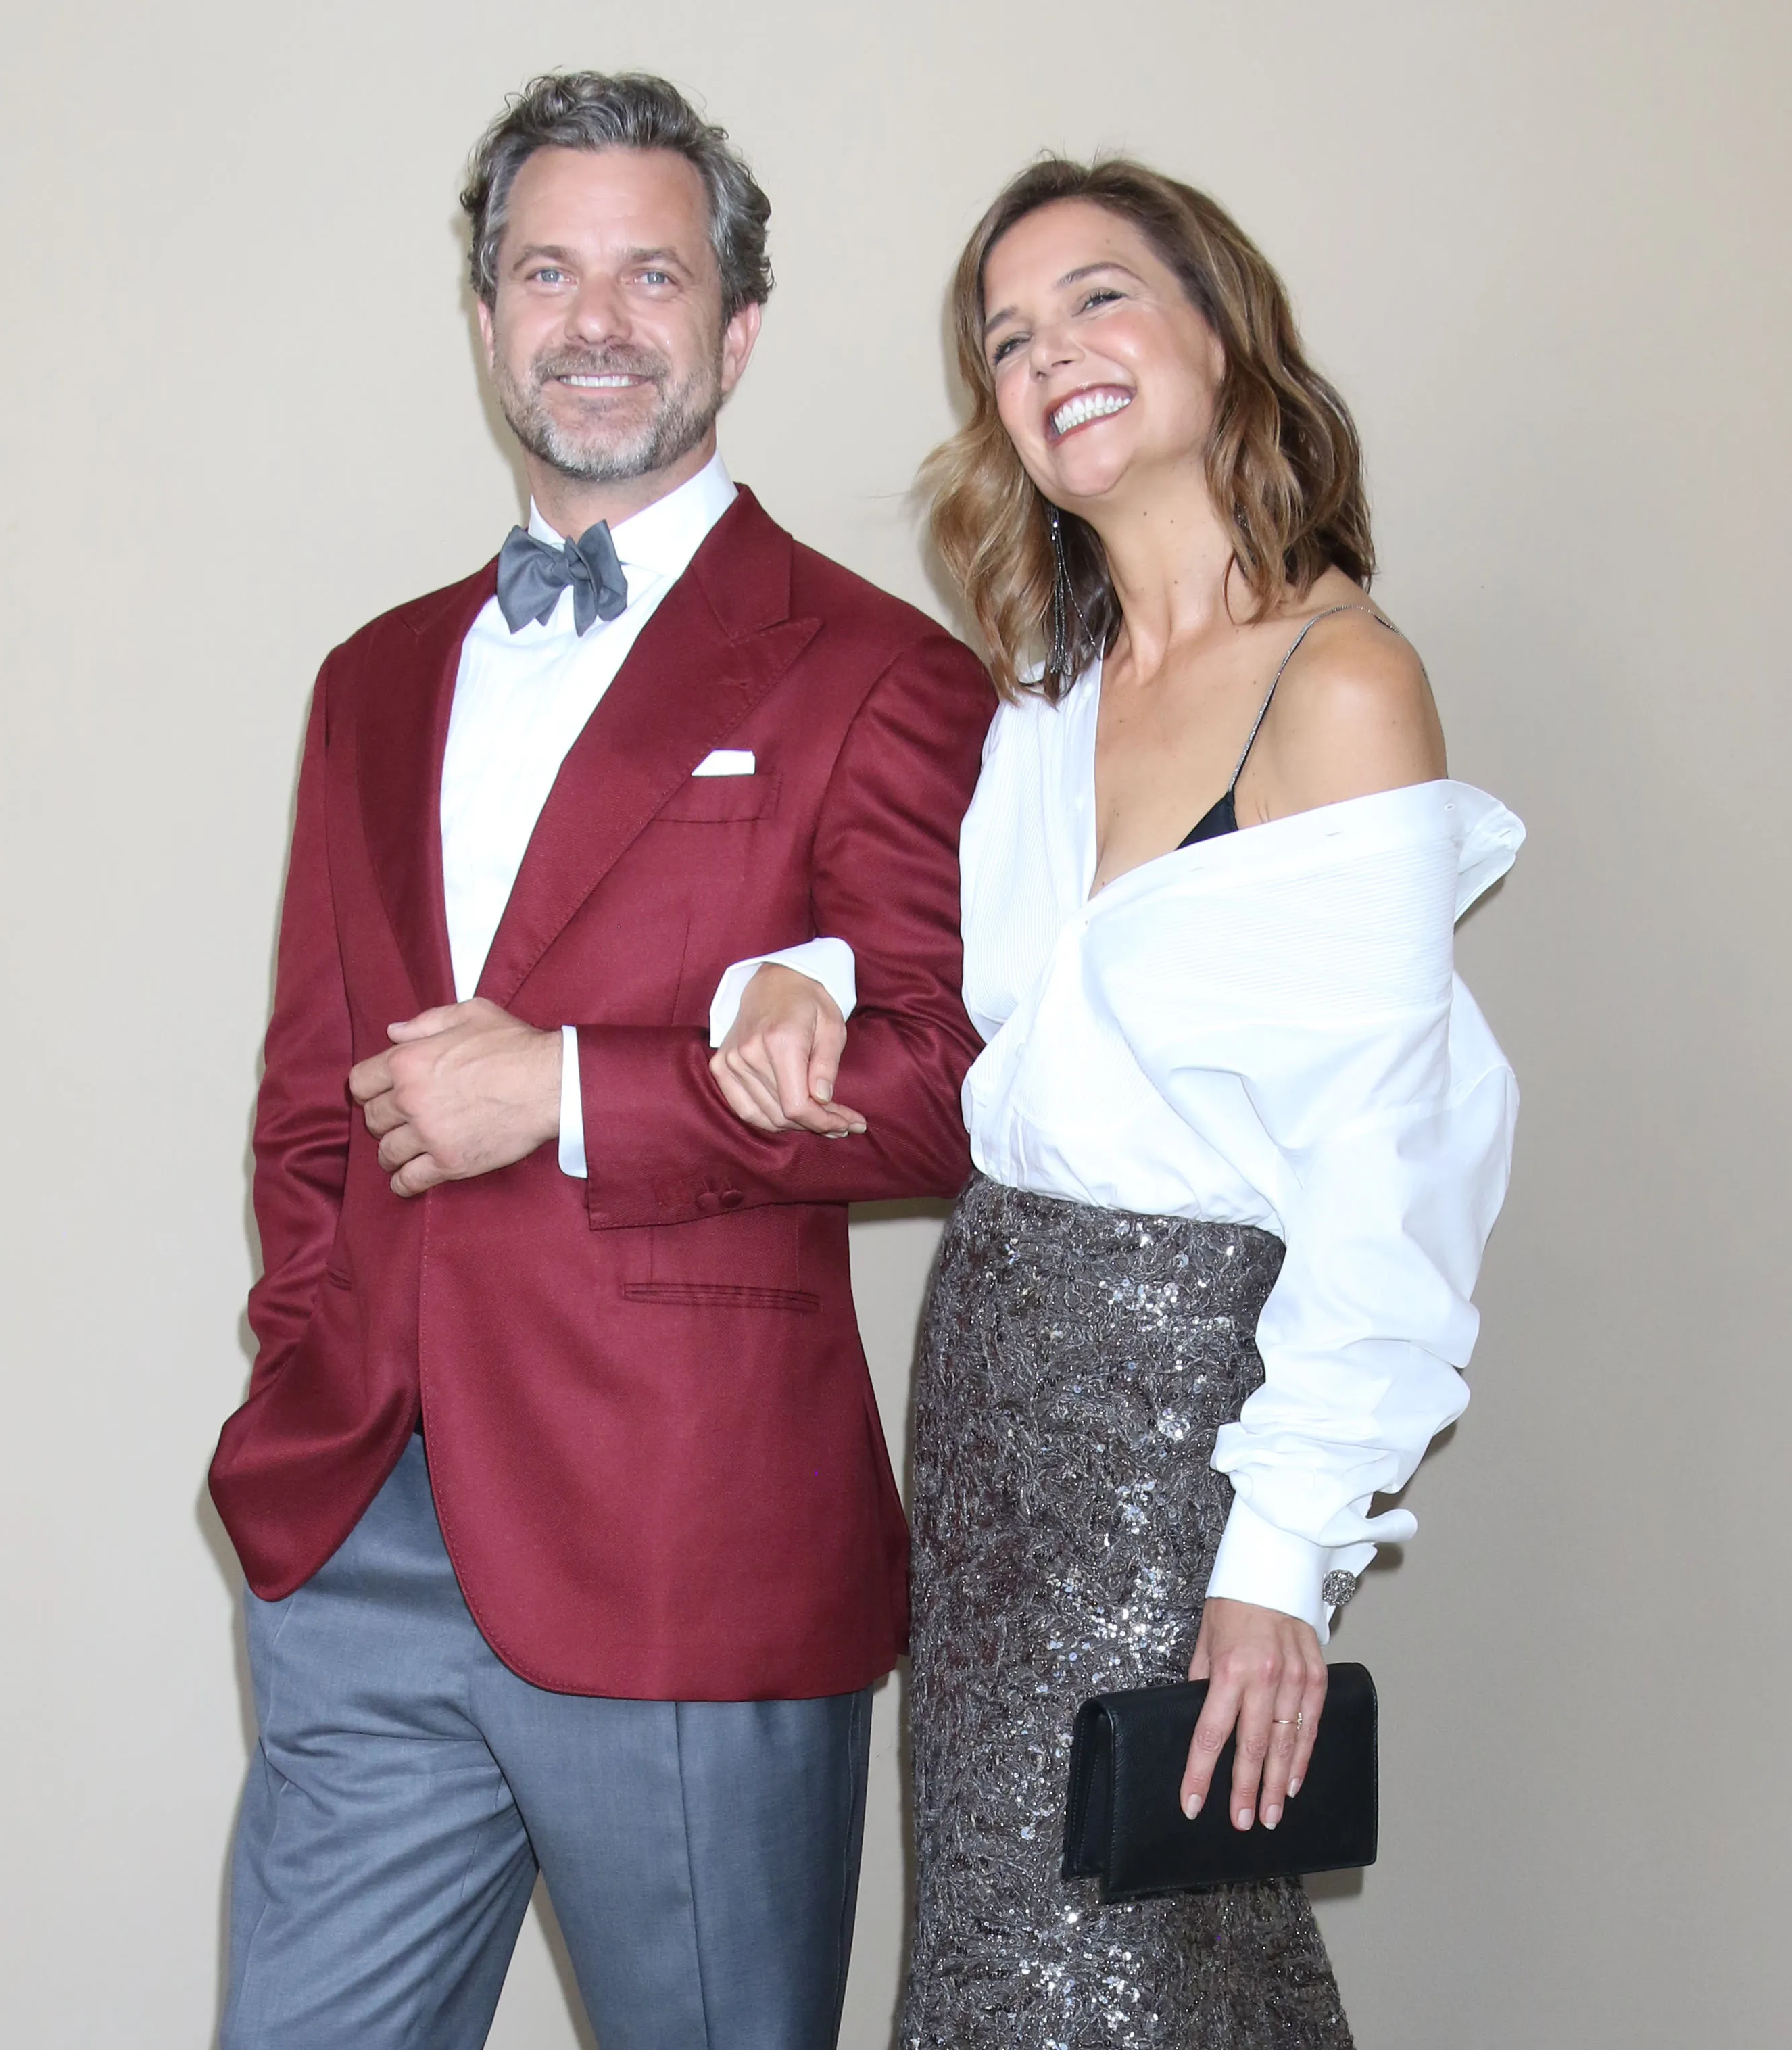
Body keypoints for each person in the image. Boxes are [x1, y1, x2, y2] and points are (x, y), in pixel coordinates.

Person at [207, 70, 994, 2050]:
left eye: (655, 275)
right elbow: (313, 1099)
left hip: (684, 1553)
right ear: (487, 318)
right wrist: (305, 1371)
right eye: (548, 272)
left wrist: (563, 1088)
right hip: (363, 1538)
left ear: (738, 327)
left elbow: (938, 1081)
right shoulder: (373, 679)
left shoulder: (878, 674)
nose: (597, 321)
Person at [710, 158, 1524, 2045]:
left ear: (1218, 329)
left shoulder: (1337, 683)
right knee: (1018, 1952)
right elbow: (964, 973)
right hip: (995, 1387)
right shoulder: (1046, 691)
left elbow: (1393, 1178)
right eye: (1004, 338)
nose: (1046, 355)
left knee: (1127, 1961)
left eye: (1095, 298)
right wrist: (804, 977)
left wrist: (1279, 1559)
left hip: (1188, 1424)